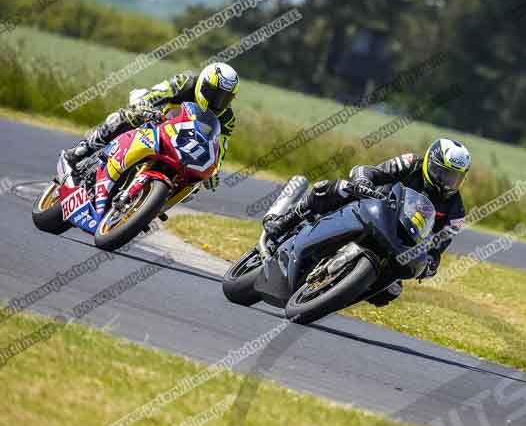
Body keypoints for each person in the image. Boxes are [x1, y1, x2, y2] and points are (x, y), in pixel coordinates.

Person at [262, 138, 471, 306]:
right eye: (442, 172)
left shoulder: (456, 209)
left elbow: (439, 247)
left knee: (391, 291)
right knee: (335, 188)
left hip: (401, 239)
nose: (445, 181)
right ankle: (285, 221)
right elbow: (370, 171)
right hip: (372, 206)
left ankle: (333, 293)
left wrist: (430, 265)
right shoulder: (411, 163)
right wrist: (363, 181)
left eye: (454, 177)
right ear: (429, 163)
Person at [62, 63, 239, 191]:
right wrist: (144, 105)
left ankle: (151, 206)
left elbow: (220, 148)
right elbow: (155, 93)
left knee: (196, 182)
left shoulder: (227, 118)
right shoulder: (185, 84)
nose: (217, 101)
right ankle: (82, 150)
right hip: (156, 124)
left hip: (185, 146)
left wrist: (215, 171)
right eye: (213, 94)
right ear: (202, 84)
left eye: (224, 98)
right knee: (129, 115)